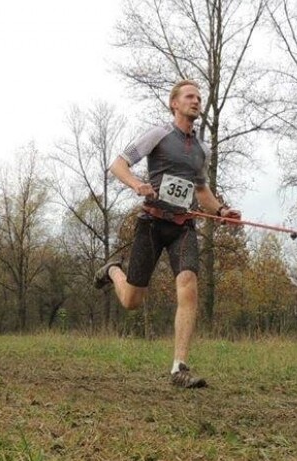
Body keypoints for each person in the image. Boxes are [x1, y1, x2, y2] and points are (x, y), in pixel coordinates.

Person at [94, 79, 240, 388]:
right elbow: (118, 165)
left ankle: (179, 368)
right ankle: (113, 271)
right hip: (151, 223)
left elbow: (201, 191)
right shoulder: (158, 135)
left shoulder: (202, 149)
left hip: (182, 227)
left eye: (199, 97)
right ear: (174, 103)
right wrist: (137, 184)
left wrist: (222, 211)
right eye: (190, 96)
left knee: (188, 283)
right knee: (132, 301)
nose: (196, 101)